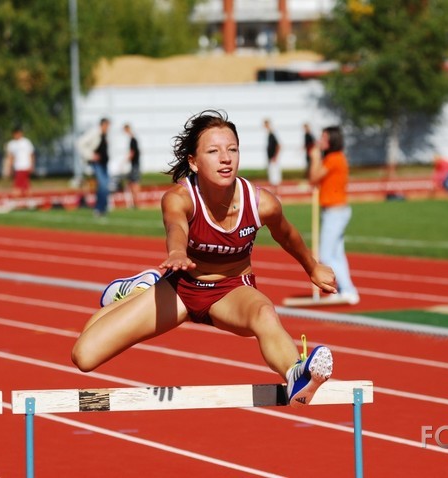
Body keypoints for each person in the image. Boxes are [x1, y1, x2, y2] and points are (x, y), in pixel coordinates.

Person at [72, 110, 338, 408]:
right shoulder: (179, 198)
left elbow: (287, 235)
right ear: (193, 161)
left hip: (231, 290)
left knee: (264, 313)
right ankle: (140, 288)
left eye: (232, 149)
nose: (226, 158)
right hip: (181, 289)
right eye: (213, 151)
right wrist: (176, 252)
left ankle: (296, 374)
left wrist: (312, 267)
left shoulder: (261, 203)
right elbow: (176, 226)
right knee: (84, 356)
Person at [308, 125, 360, 305]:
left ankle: (349, 290)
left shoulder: (333, 159)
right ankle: (345, 290)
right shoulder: (334, 158)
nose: (320, 141)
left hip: (335, 212)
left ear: (331, 140)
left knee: (326, 255)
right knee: (337, 254)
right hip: (335, 211)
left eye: (323, 138)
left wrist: (314, 158)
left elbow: (313, 178)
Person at [77, 118, 111, 216]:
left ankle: (103, 208)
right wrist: (91, 156)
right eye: (107, 126)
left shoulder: (104, 135)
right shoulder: (95, 133)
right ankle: (99, 208)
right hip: (97, 164)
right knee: (103, 185)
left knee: (105, 186)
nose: (108, 128)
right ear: (103, 125)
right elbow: (80, 143)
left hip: (104, 164)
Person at [3, 126, 35, 197]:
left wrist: (32, 165)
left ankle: (20, 200)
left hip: (25, 166)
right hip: (17, 167)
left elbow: (31, 154)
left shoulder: (26, 142)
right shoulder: (11, 144)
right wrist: (9, 168)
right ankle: (28, 200)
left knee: (18, 187)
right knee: (24, 185)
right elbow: (10, 157)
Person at [123, 123, 141, 208]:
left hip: (134, 165)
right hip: (134, 165)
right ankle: (134, 202)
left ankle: (136, 202)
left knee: (134, 183)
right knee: (132, 183)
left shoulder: (132, 140)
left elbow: (132, 152)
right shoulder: (134, 139)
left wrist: (125, 161)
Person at [264, 119, 281, 190]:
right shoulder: (269, 135)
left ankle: (276, 193)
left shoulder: (272, 135)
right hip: (271, 159)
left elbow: (278, 146)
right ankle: (274, 192)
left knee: (275, 178)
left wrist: (275, 156)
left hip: (273, 159)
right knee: (272, 177)